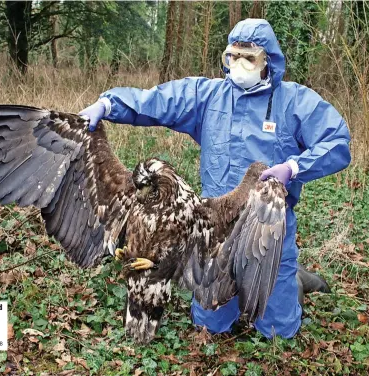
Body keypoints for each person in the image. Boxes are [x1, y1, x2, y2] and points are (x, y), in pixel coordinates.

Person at [79, 19, 351, 339]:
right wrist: (108, 104)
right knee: (210, 325)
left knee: (279, 330)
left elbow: (336, 143)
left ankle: (291, 283)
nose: (239, 65)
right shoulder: (208, 96)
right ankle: (235, 298)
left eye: (249, 58)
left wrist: (293, 167)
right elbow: (157, 101)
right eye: (233, 56)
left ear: (269, 61)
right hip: (215, 228)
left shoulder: (295, 102)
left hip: (268, 227)